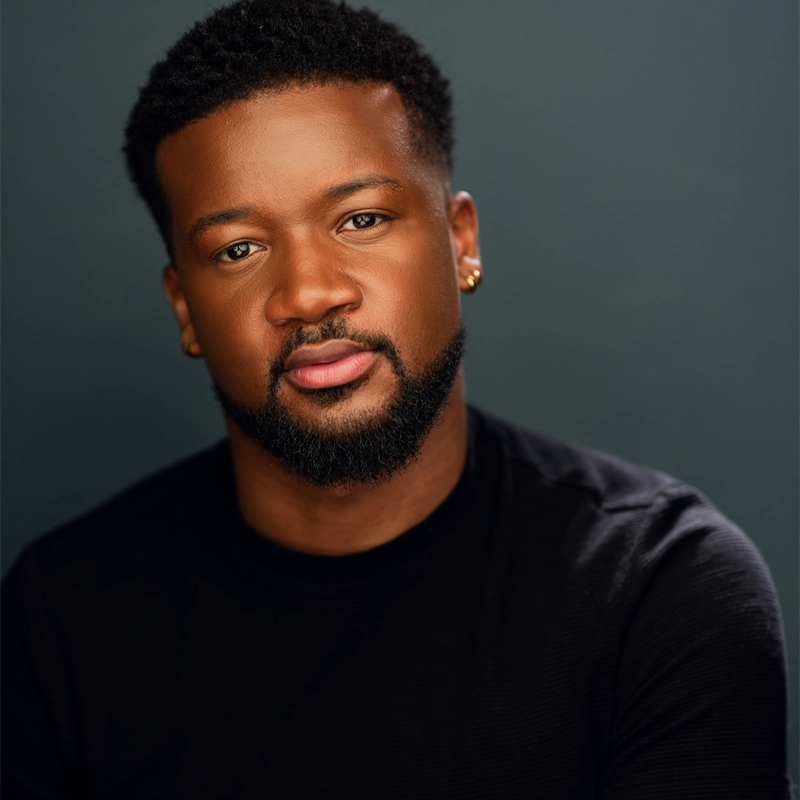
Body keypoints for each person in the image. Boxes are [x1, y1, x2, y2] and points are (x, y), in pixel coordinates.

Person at [2, 0, 790, 797]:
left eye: (361, 218)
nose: (309, 294)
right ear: (185, 308)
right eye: (238, 248)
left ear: (461, 242)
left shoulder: (660, 589)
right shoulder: (58, 622)